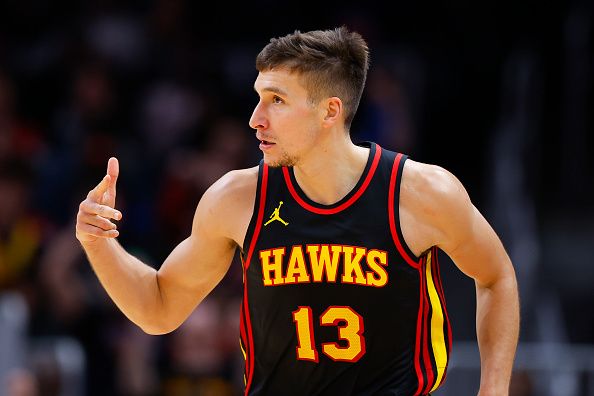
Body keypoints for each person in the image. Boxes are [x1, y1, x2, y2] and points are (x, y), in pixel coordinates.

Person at [75, 26, 519, 395]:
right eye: (258, 96)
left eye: (277, 100)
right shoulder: (237, 197)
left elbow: (496, 277)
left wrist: (494, 391)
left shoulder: (420, 193)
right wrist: (98, 244)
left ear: (329, 111)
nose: (255, 117)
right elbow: (159, 308)